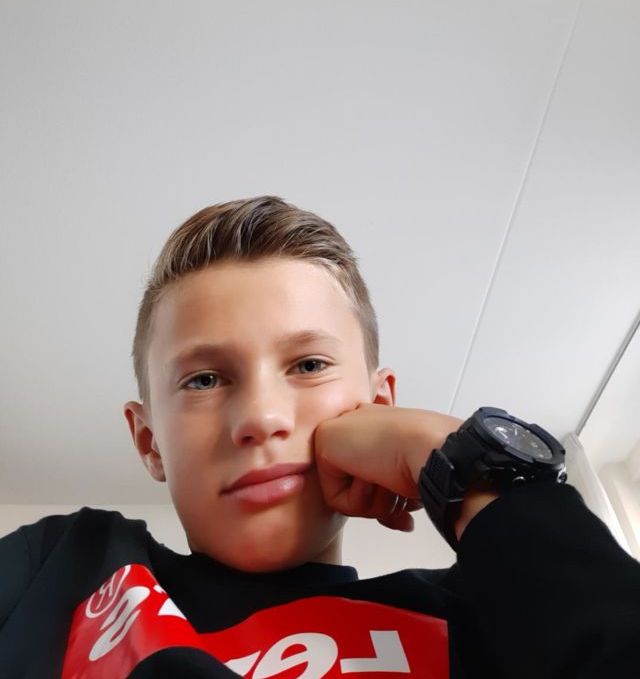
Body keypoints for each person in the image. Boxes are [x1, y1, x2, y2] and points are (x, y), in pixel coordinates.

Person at [1, 195, 639, 678]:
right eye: (203, 379)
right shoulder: (63, 567)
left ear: (379, 407)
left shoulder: (487, 613)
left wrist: (460, 462)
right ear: (148, 441)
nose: (260, 418)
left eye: (308, 365)